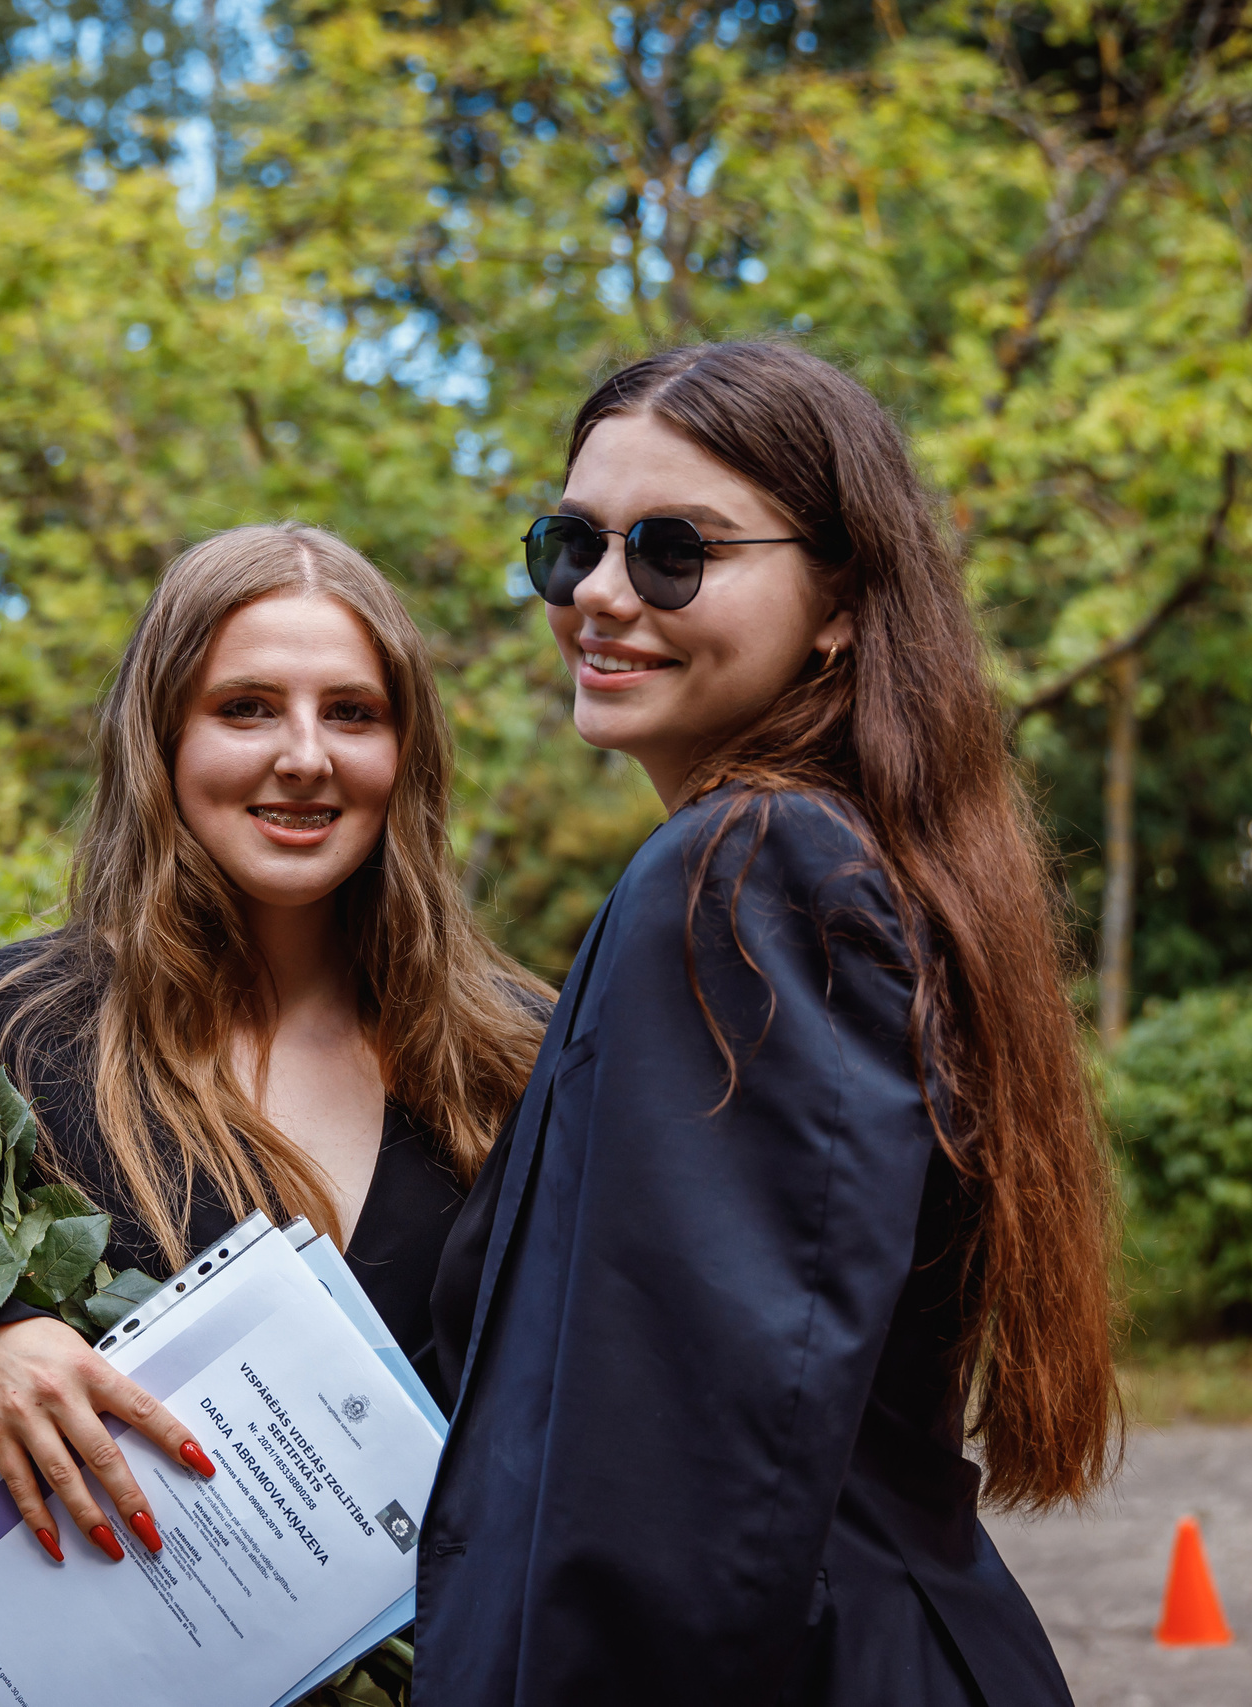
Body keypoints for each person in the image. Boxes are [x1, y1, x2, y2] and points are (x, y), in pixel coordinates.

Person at [414, 342, 1119, 1707]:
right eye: (572, 544)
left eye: (676, 552)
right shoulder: (835, 857)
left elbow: (689, 1469)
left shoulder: (748, 872)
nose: (603, 596)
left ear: (841, 600)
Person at [0, 522, 550, 1707]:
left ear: (406, 752)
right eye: (247, 708)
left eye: (353, 714)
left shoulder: (524, 1062)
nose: (306, 757)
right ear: (160, 737)